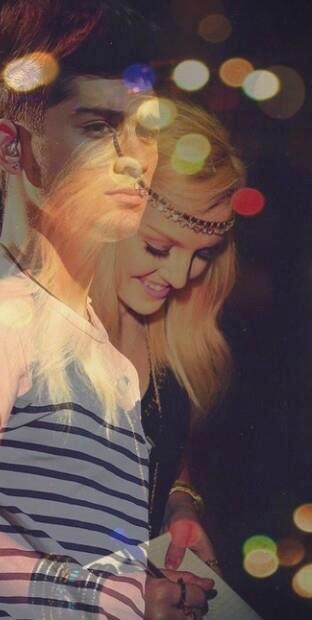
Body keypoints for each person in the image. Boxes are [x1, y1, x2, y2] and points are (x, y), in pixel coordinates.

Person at [0, 3, 213, 619]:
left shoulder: (98, 350)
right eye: (98, 126)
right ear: (13, 146)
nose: (134, 156)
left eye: (145, 128)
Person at [92, 97, 245, 573]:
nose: (180, 277)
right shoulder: (26, 336)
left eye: (204, 254)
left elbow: (157, 450)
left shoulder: (165, 330)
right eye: (159, 247)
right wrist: (125, 597)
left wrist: (179, 502)